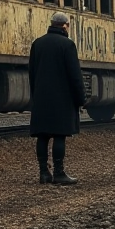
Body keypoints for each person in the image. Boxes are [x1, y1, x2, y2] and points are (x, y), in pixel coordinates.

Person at [28, 12, 86, 185]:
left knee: (43, 135)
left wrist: (35, 94)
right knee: (60, 135)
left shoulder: (37, 44)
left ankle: (43, 173)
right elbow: (75, 76)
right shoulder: (67, 45)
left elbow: (32, 72)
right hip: (62, 97)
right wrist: (80, 98)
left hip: (41, 96)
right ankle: (59, 173)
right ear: (65, 25)